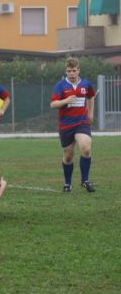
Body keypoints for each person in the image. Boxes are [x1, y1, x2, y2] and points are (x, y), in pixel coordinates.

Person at [50, 57, 96, 193]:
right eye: (69, 71)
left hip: (82, 123)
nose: (71, 73)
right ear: (66, 71)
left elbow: (91, 96)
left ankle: (85, 180)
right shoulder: (60, 85)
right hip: (66, 125)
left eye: (74, 71)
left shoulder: (86, 84)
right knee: (68, 155)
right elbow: (53, 104)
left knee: (86, 149)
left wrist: (91, 114)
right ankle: (68, 184)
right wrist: (66, 100)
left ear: (78, 70)